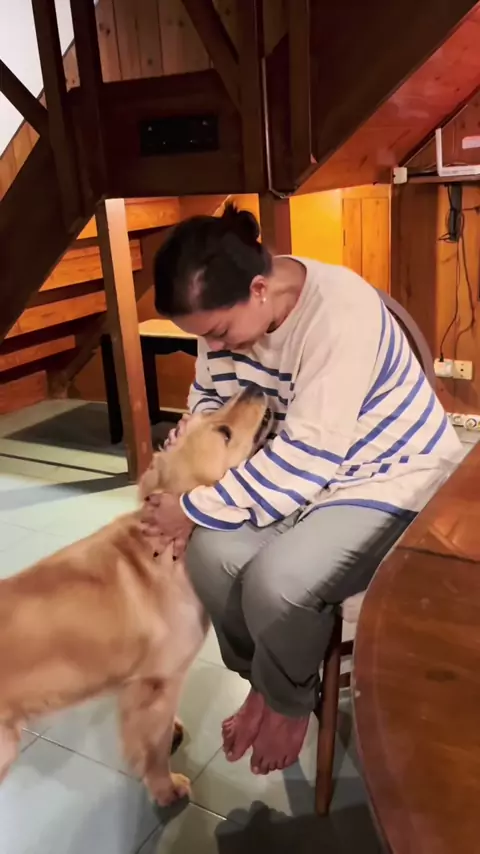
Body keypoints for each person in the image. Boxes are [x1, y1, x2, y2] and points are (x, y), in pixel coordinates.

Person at [141, 202, 462, 776]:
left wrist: (192, 506)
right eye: (203, 338)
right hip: (294, 472)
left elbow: (311, 454)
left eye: (218, 333)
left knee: (278, 583)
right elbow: (212, 394)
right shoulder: (227, 316)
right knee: (210, 558)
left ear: (259, 289)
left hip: (388, 471)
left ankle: (287, 706)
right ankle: (268, 685)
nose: (215, 348)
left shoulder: (338, 311)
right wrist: (196, 432)